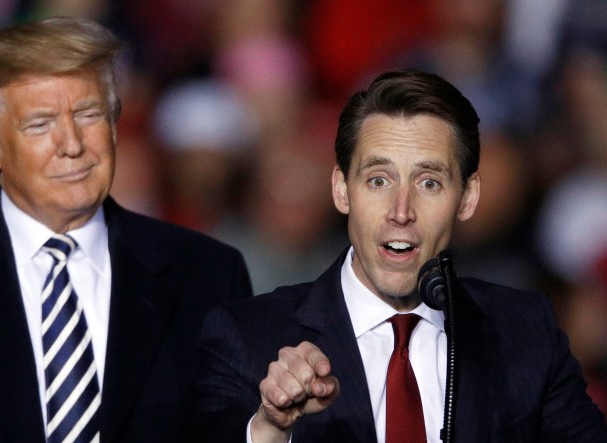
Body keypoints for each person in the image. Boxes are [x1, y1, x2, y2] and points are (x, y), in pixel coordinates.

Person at [0, 17, 252, 443]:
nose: (72, 144)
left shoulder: (208, 275)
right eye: (40, 124)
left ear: (113, 127)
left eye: (89, 115)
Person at [191, 69, 607, 442]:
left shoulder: (525, 331)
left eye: (428, 183)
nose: (401, 211)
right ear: (341, 189)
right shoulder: (245, 336)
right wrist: (270, 430)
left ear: (467, 197)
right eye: (378, 180)